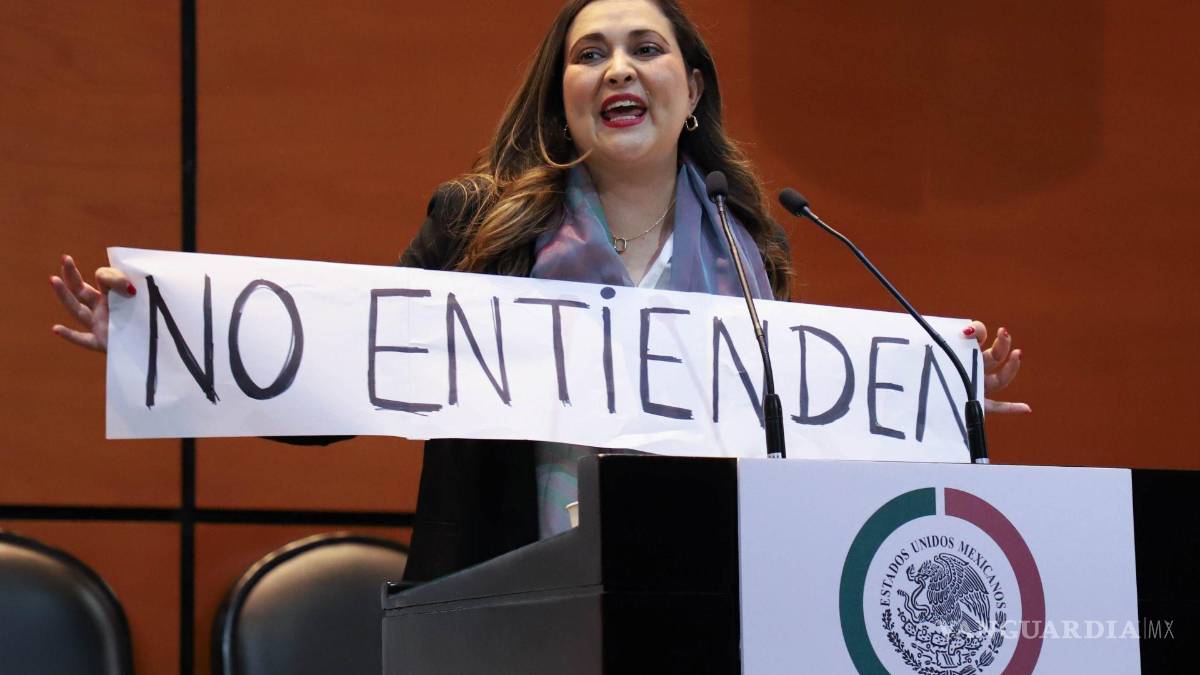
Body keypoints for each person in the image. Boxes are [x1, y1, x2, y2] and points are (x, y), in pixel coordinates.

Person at [49, 0, 1028, 581]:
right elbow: (343, 376)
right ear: (564, 95)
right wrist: (163, 336)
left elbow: (800, 440)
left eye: (645, 48)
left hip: (697, 608)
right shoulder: (478, 226)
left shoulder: (747, 256)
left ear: (691, 90)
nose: (618, 67)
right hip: (502, 608)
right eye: (590, 53)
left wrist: (944, 396)